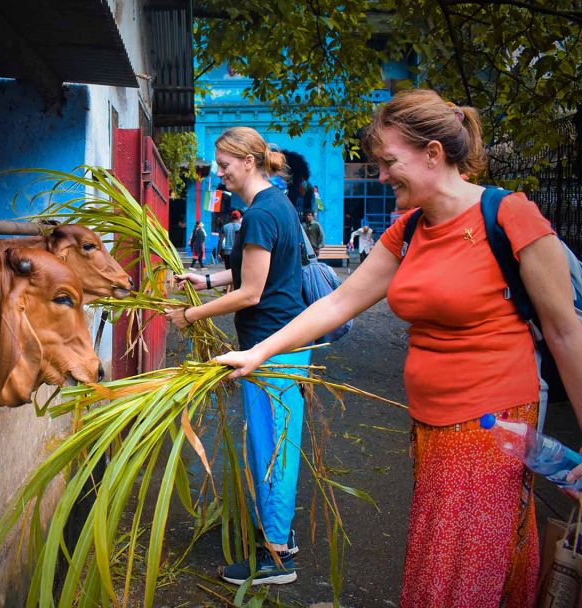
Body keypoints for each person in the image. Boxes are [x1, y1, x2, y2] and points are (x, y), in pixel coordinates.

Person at [215, 89, 582, 608]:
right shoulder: (409, 230)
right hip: (430, 427)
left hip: (488, 428)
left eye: (389, 162)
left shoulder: (509, 216)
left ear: (433, 153)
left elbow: (567, 333)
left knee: (457, 572)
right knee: (447, 560)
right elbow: (338, 303)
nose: (382, 175)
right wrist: (259, 353)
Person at [166, 126, 309, 586]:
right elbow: (246, 274)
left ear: (249, 161)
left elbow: (251, 293)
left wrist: (190, 315)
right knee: (273, 445)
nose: (219, 174)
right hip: (279, 344)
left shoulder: (261, 215)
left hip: (272, 347)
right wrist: (203, 281)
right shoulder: (274, 205)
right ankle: (278, 534)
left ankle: (276, 558)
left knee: (271, 450)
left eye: (225, 165)